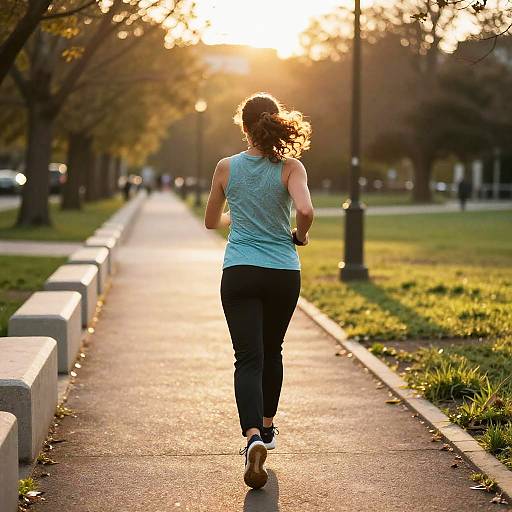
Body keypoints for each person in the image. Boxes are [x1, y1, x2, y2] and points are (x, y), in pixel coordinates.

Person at [204, 92, 314, 489]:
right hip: (282, 271)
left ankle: (251, 438)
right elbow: (304, 211)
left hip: (239, 271)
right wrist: (299, 236)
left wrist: (241, 211)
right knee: (273, 350)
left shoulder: (225, 167)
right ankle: (267, 429)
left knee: (247, 358)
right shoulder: (290, 167)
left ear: (244, 127)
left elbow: (211, 221)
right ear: (274, 122)